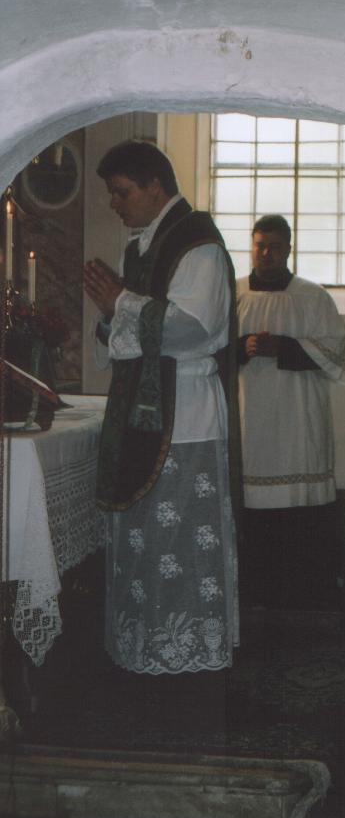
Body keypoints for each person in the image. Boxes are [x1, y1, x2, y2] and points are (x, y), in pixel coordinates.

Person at [83, 140, 239, 677]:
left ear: (155, 186)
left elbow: (192, 328)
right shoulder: (140, 248)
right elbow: (126, 332)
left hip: (185, 415)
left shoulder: (198, 244)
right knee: (145, 539)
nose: (114, 204)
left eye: (121, 192)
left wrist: (121, 304)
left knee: (178, 537)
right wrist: (112, 315)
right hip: (142, 413)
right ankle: (144, 646)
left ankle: (188, 653)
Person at [236, 214, 345, 610]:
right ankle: (253, 601)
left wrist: (282, 347)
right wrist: (243, 348)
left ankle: (303, 603)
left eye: (275, 247)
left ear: (289, 249)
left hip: (297, 420)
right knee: (250, 522)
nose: (266, 254)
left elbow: (334, 353)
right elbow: (210, 351)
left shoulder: (313, 297)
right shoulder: (232, 295)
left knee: (298, 527)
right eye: (260, 245)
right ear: (251, 247)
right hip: (248, 422)